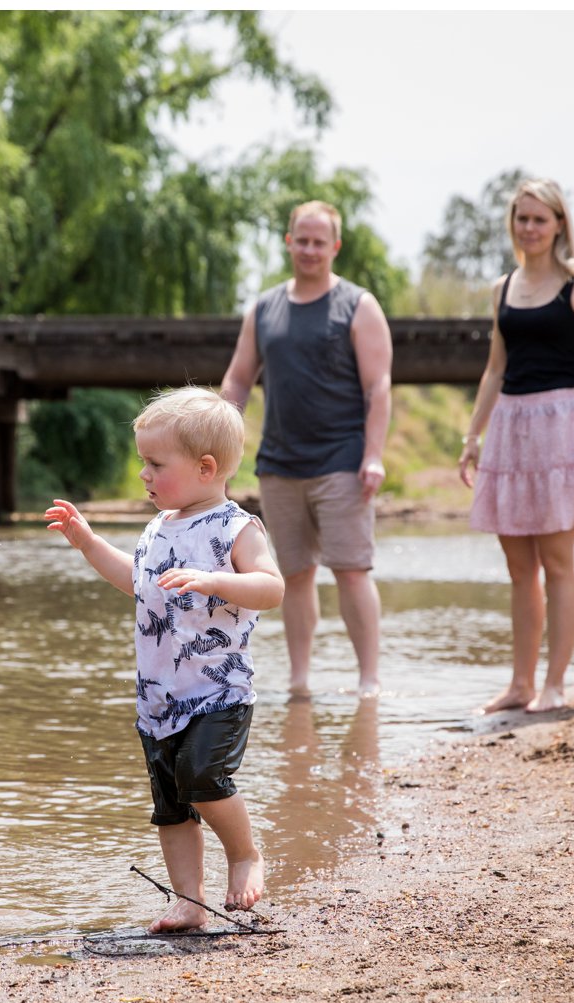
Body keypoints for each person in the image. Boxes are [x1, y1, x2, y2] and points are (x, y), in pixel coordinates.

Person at [45, 387, 285, 932]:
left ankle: (245, 854)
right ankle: (187, 901)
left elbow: (271, 588)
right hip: (159, 698)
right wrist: (88, 544)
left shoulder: (235, 527)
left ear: (205, 468)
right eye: (142, 463)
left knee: (204, 775)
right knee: (171, 803)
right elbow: (137, 583)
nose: (143, 475)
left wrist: (214, 578)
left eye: (155, 464)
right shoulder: (158, 529)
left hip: (218, 691)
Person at [220, 199, 393, 699]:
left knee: (352, 571)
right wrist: (218, 449)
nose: (311, 249)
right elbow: (237, 378)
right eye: (303, 239)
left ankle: (368, 681)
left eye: (321, 242)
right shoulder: (263, 308)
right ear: (288, 241)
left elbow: (378, 386)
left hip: (342, 461)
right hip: (278, 465)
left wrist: (374, 454)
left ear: (335, 246)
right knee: (293, 575)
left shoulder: (359, 305)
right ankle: (299, 682)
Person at [458, 178, 574, 715]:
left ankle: (555, 686)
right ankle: (520, 684)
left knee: (558, 562)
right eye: (521, 219)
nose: (529, 228)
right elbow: (494, 368)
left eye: (539, 219)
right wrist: (472, 436)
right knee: (519, 569)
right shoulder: (502, 288)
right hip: (509, 428)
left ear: (559, 224)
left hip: (560, 425)